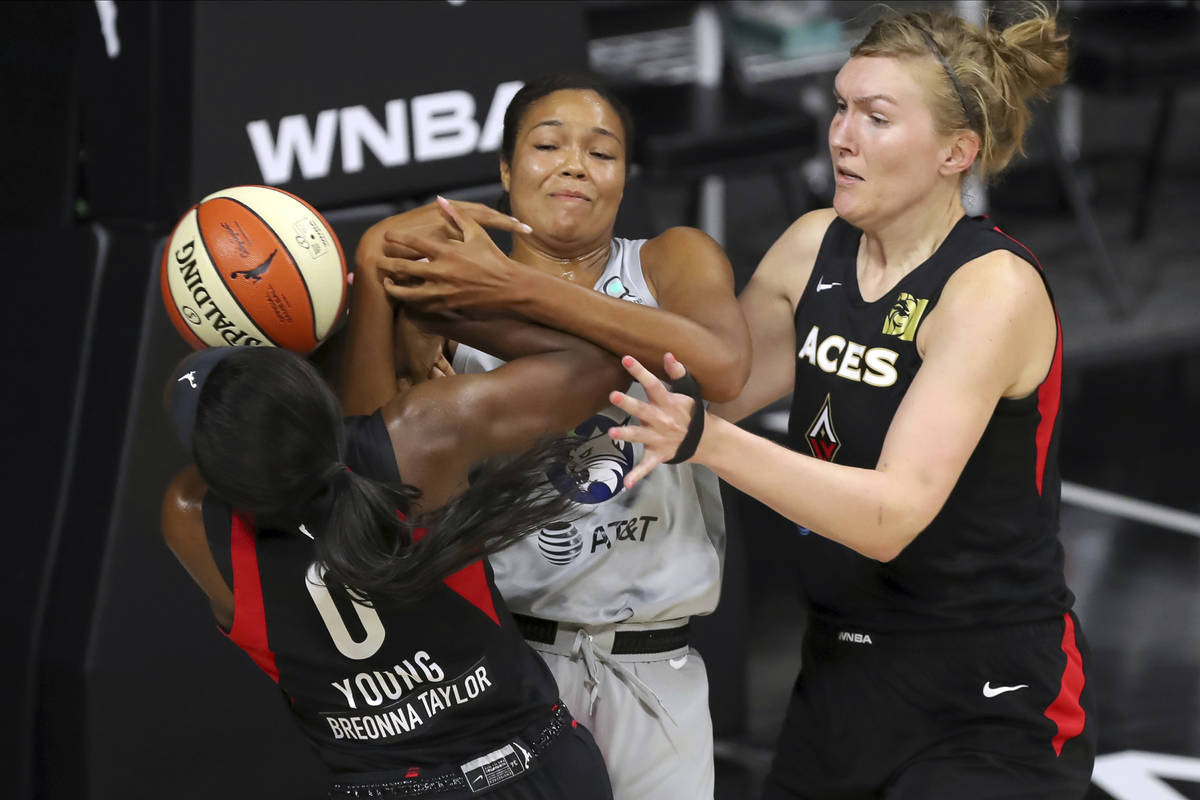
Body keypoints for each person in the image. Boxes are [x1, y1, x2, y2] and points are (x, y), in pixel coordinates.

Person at [605, 5, 1097, 798]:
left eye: (876, 117)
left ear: (955, 153)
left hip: (988, 693)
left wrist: (705, 441)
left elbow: (891, 515)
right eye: (840, 106)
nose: (841, 136)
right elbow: (710, 389)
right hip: (841, 676)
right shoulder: (811, 245)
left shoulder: (990, 289)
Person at [362, 74, 751, 799]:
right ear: (506, 170)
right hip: (510, 664)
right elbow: (376, 469)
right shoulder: (445, 290)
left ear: (626, 179)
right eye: (547, 145)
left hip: (654, 663)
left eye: (602, 153)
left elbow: (722, 364)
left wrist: (520, 292)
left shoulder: (670, 259)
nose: (574, 163)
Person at [159, 206, 630, 799]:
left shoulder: (190, 520)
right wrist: (432, 309)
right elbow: (607, 363)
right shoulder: (419, 438)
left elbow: (331, 448)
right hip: (536, 771)